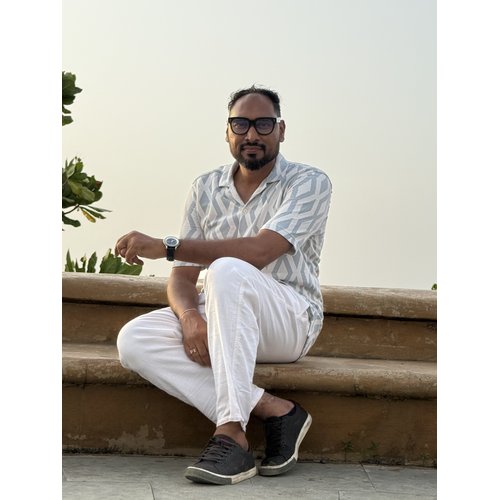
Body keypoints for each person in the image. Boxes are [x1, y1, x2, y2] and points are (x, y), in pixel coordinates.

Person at [115, 85, 332, 485]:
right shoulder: (205, 188)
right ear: (228, 132)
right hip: (221, 312)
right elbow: (183, 276)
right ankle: (274, 410)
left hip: (288, 320)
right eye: (241, 124)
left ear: (281, 130)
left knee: (227, 269)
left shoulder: (309, 182)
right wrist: (190, 318)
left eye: (263, 124)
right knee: (134, 339)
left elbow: (261, 252)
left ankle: (232, 433)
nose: (251, 134)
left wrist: (167, 246)